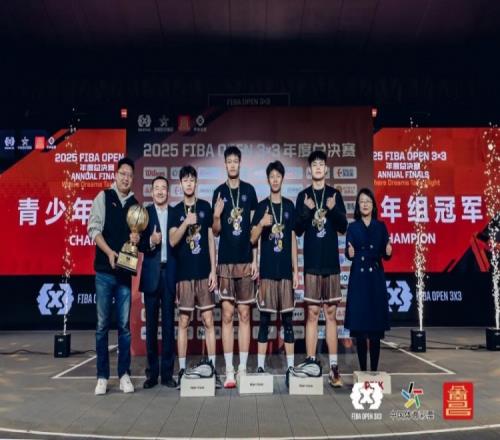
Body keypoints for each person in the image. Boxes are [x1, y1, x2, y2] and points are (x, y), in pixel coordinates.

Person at [294, 150, 347, 388]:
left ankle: (334, 367)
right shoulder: (303, 196)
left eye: (321, 164)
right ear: (310, 169)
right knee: (312, 314)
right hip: (312, 265)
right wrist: (307, 210)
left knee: (331, 315)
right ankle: (311, 363)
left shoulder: (334, 194)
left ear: (325, 169)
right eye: (314, 164)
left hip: (331, 265)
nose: (317, 167)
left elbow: (344, 227)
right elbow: (297, 229)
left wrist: (333, 209)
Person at [88, 157, 139, 395]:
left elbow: (138, 239)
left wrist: (136, 239)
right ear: (116, 175)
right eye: (123, 174)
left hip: (124, 275)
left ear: (133, 178)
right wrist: (109, 252)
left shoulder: (136, 205)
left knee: (124, 327)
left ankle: (124, 375)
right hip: (104, 273)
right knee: (101, 326)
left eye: (129, 175)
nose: (126, 178)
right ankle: (101, 376)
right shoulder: (103, 197)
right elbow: (93, 229)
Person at [168, 165, 221, 388]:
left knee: (209, 321)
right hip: (184, 275)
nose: (189, 183)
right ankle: (181, 370)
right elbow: (172, 240)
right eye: (185, 180)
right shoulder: (175, 211)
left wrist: (213, 270)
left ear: (196, 183)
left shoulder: (205, 207)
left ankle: (212, 369)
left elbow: (210, 239)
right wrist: (186, 222)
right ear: (180, 184)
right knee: (183, 322)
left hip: (203, 273)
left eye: (192, 180)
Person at [212, 146, 258, 388]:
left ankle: (243, 369)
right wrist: (217, 215)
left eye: (235, 161)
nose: (232, 165)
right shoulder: (219, 192)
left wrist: (256, 260)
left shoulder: (249, 190)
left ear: (240, 163)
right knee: (228, 315)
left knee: (245, 314)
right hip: (225, 263)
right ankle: (229, 370)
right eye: (228, 161)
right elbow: (215, 231)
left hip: (246, 260)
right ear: (225, 164)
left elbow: (254, 231)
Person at [251, 161, 298, 387]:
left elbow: (292, 239)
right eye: (272, 176)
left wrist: (296, 271)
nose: (275, 179)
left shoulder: (289, 205)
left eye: (278, 176)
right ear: (268, 179)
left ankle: (291, 368)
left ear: (282, 178)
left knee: (288, 322)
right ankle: (260, 367)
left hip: (286, 273)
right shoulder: (262, 206)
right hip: (268, 272)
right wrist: (262, 223)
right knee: (264, 321)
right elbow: (252, 238)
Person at [344, 188, 392, 372]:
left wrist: (388, 251)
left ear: (373, 205)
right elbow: (349, 252)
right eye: (362, 201)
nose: (365, 204)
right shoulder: (353, 227)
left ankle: (374, 371)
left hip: (375, 280)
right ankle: (363, 370)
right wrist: (349, 253)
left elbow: (386, 252)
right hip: (359, 279)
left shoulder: (381, 227)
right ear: (358, 205)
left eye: (368, 201)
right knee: (361, 329)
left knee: (375, 330)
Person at [138, 176, 177, 389]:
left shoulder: (175, 213)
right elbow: (139, 244)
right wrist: (151, 241)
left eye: (163, 188)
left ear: (168, 192)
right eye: (157, 188)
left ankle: (167, 374)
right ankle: (152, 374)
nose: (160, 191)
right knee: (151, 327)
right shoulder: (145, 214)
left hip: (169, 274)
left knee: (169, 327)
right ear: (151, 192)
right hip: (152, 275)